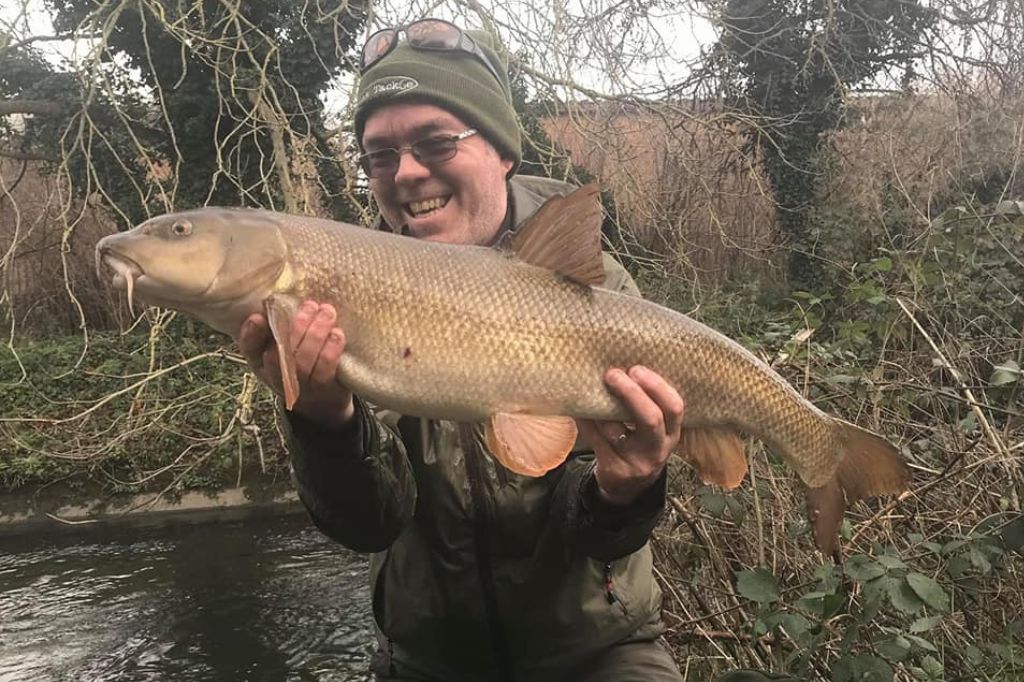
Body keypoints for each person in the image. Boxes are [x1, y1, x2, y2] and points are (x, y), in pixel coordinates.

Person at [239, 18, 792, 682]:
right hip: (427, 661)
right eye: (379, 156)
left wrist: (624, 490)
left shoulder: (593, 287)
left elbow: (600, 537)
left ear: (502, 150)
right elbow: (368, 524)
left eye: (435, 142)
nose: (406, 173)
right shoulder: (346, 296)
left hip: (596, 653)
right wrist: (325, 422)